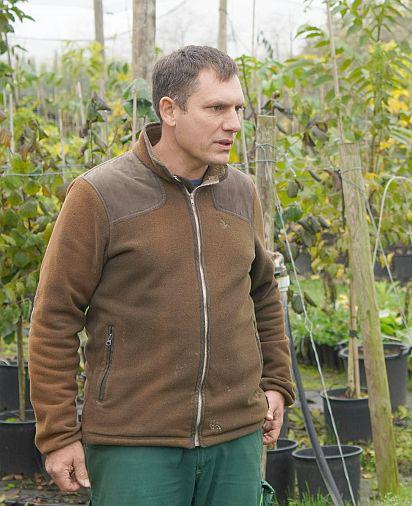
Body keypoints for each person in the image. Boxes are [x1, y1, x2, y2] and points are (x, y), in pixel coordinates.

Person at [28, 45, 295, 505]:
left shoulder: (240, 192)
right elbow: (54, 317)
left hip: (235, 436)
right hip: (135, 442)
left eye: (237, 109)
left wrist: (277, 382)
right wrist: (58, 433)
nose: (233, 123)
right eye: (216, 108)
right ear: (169, 110)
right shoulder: (100, 194)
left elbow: (263, 293)